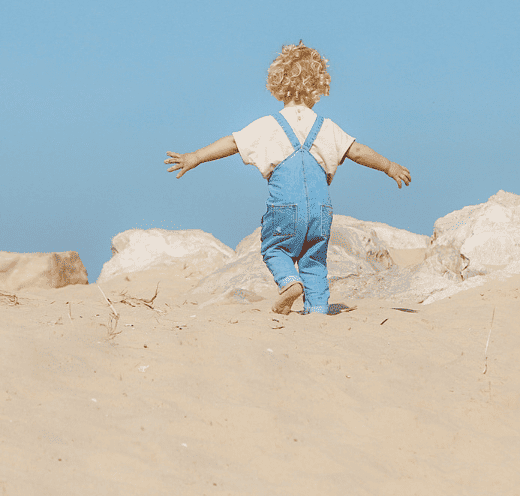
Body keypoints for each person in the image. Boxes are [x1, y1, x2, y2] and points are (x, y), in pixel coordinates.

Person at [165, 42, 411, 315]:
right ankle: (317, 309)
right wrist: (389, 167)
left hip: (285, 208)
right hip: (320, 210)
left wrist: (195, 157)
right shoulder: (326, 127)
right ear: (319, 87)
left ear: (276, 83)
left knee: (275, 249)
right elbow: (359, 151)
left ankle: (289, 282)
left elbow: (233, 142)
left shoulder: (269, 125)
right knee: (314, 259)